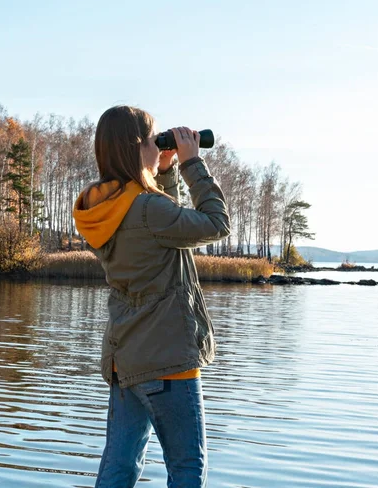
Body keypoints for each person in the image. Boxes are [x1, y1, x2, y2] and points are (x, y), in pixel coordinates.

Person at [73, 105, 230, 488]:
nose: (157, 145)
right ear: (136, 147)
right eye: (152, 139)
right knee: (187, 467)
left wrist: (164, 170)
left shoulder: (105, 207)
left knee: (120, 467)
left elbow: (168, 225)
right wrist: (193, 164)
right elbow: (216, 224)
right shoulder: (147, 209)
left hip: (124, 359)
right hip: (167, 359)